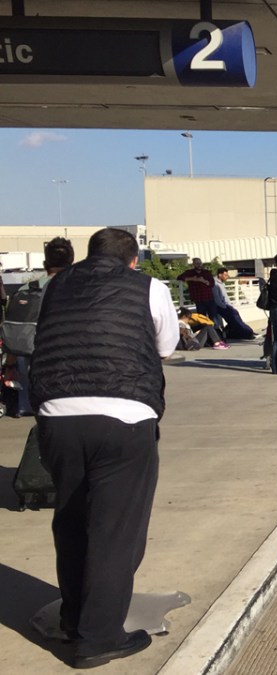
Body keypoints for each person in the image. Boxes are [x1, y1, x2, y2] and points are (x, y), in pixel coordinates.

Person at [30, 227, 177, 669]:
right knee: (114, 532)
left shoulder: (57, 285)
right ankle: (98, 638)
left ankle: (75, 620)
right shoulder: (149, 286)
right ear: (133, 260)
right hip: (124, 418)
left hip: (57, 416)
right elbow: (166, 347)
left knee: (72, 522)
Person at [4, 236, 74, 417]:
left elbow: (16, 330)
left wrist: (9, 367)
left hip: (33, 357)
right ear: (72, 262)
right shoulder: (79, 289)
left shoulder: (27, 288)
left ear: (45, 263)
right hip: (69, 360)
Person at [212, 268, 256, 340]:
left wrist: (230, 306)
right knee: (235, 318)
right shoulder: (215, 284)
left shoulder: (221, 283)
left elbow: (225, 298)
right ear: (220, 275)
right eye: (225, 275)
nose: (227, 277)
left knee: (236, 317)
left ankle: (247, 331)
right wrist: (226, 307)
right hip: (221, 307)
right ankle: (248, 333)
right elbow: (217, 300)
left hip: (227, 306)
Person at [176, 257, 219, 331]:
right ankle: (206, 333)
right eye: (197, 263)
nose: (199, 265)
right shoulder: (189, 272)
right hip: (199, 299)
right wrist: (193, 279)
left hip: (209, 298)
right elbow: (179, 277)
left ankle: (217, 333)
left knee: (213, 316)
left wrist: (204, 281)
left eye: (200, 263)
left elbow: (212, 283)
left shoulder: (206, 272)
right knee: (202, 318)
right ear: (193, 264)